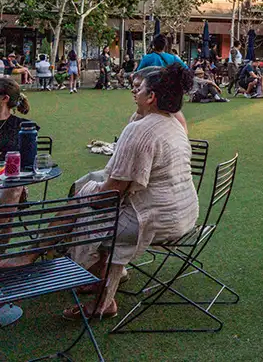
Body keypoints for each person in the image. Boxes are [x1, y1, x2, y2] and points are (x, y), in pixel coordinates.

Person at [59, 64, 200, 320]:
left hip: (154, 222)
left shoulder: (141, 130)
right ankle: (98, 277)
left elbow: (110, 193)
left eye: (139, 89)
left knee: (86, 211)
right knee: (89, 204)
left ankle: (101, 296)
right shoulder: (174, 123)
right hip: (185, 214)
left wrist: (87, 193)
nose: (134, 93)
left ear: (151, 96)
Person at [0, 79, 37, 219]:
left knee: (14, 187)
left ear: (4, 98)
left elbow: (28, 164)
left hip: (12, 182)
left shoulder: (23, 127)